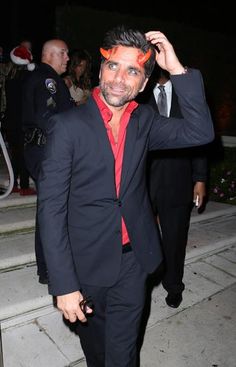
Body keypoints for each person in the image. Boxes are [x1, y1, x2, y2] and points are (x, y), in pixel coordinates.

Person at [37, 25, 214, 367]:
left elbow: (200, 130)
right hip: (85, 265)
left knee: (123, 355)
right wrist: (63, 283)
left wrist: (177, 70)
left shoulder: (144, 121)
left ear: (144, 82)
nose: (120, 78)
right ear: (100, 69)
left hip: (134, 262)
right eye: (113, 66)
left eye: (132, 70)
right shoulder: (67, 127)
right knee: (98, 355)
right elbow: (51, 211)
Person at [144, 67, 208, 308]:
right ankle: (141, 285)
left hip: (178, 181)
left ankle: (174, 286)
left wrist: (200, 178)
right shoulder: (138, 93)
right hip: (141, 181)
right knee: (140, 237)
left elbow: (200, 139)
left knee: (175, 238)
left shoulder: (187, 96)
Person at [22, 39, 75, 284]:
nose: (67, 58)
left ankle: (46, 267)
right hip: (46, 151)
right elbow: (51, 119)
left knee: (49, 208)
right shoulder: (48, 80)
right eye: (63, 53)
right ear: (50, 54)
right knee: (52, 210)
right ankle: (48, 268)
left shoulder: (46, 78)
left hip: (41, 150)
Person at [4, 45, 36, 195]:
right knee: (23, 154)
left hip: (10, 121)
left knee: (15, 153)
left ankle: (14, 183)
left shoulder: (9, 79)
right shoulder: (28, 79)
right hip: (23, 122)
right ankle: (24, 186)